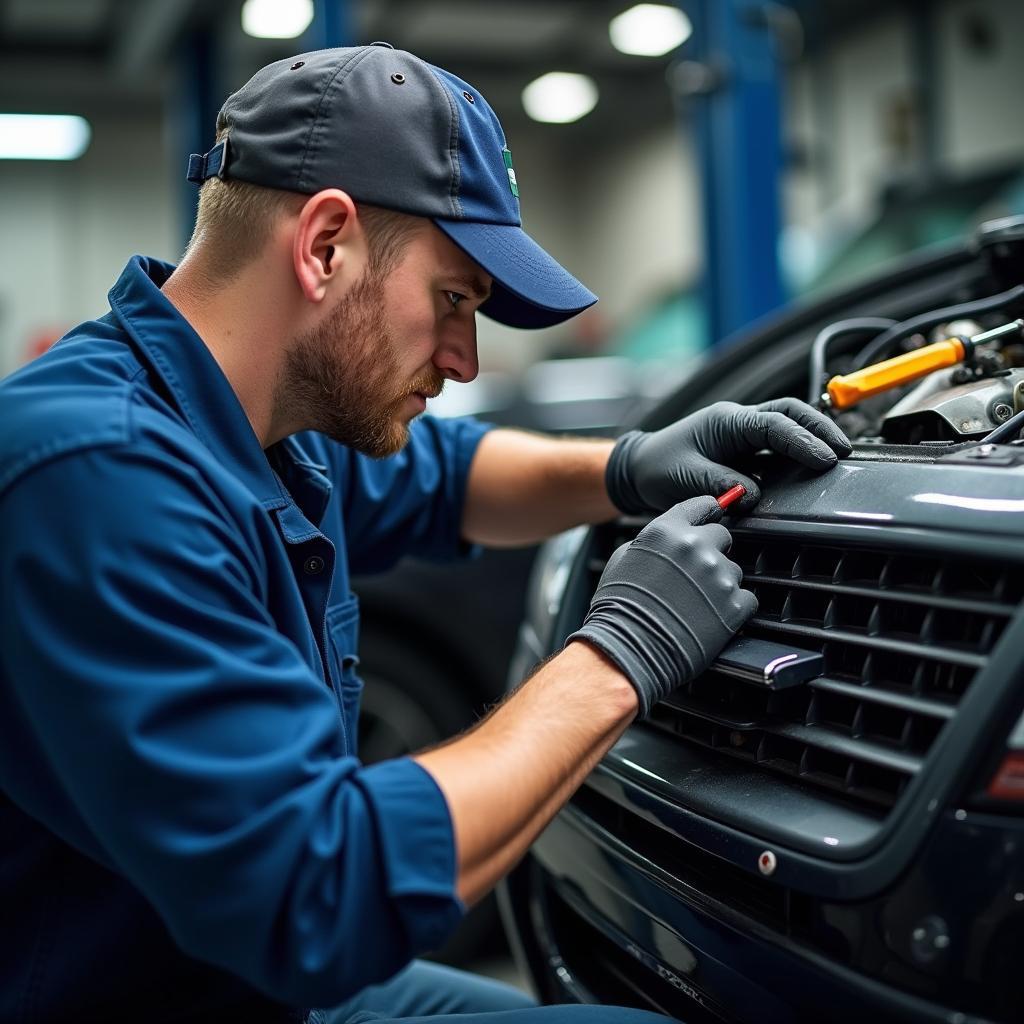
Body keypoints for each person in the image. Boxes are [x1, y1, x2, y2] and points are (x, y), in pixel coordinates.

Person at [0, 43, 851, 1023]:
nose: (463, 356)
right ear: (324, 246)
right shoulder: (95, 476)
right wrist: (622, 651)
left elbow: (446, 480)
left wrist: (626, 466)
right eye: (453, 299)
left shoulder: (253, 421)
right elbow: (321, 897)